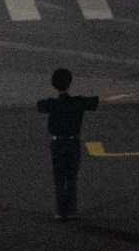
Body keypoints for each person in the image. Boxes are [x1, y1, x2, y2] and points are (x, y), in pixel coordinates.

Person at [36, 68, 98, 220]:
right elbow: (94, 102)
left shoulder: (52, 104)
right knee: (71, 177)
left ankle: (60, 211)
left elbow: (39, 106)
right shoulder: (77, 102)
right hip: (72, 142)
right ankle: (71, 210)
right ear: (69, 83)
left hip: (58, 143)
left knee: (58, 177)